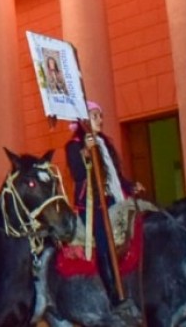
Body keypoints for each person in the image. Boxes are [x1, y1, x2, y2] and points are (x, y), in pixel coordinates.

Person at [65, 100, 142, 322]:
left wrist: (129, 186)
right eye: (96, 115)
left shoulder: (104, 143)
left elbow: (113, 175)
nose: (101, 119)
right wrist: (86, 155)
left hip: (112, 200)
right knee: (105, 246)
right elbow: (79, 175)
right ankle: (114, 296)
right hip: (92, 205)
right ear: (84, 120)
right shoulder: (75, 145)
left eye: (101, 115)